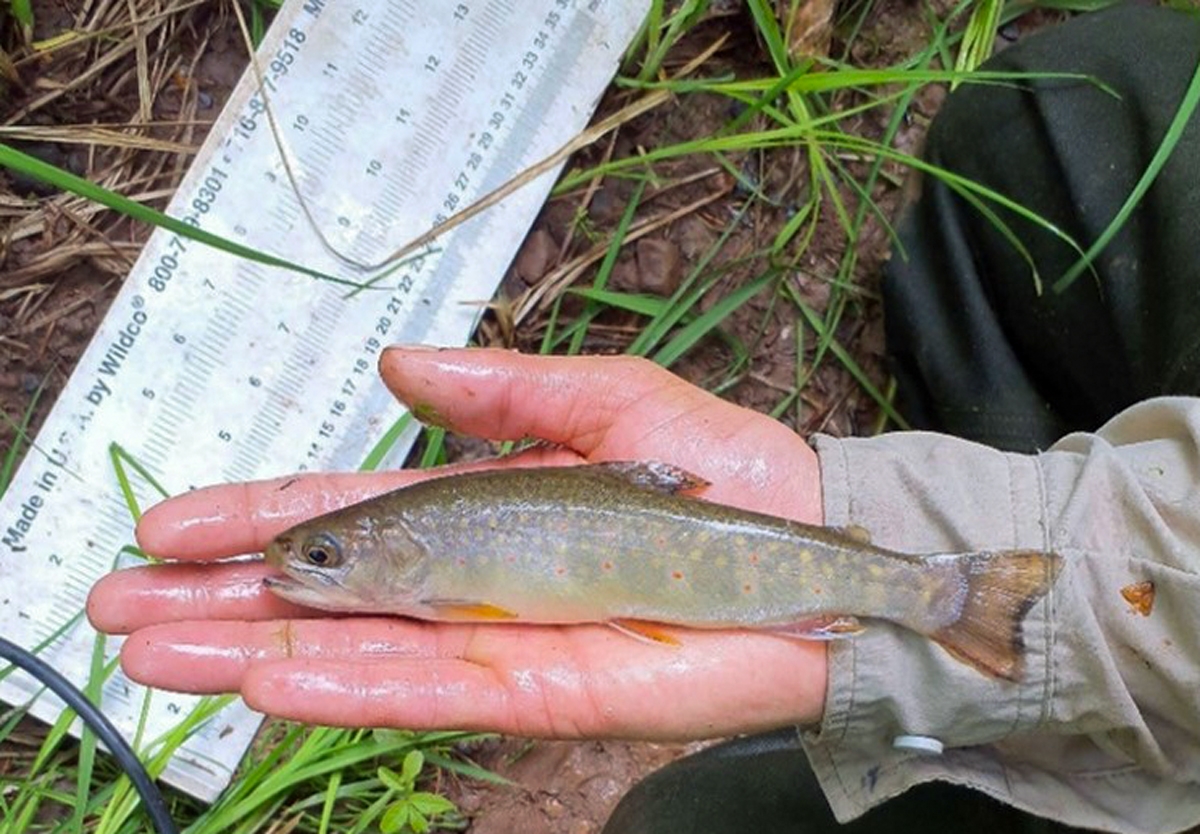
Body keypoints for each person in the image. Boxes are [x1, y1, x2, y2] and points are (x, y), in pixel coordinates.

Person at [88, 5, 1200, 834]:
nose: (310, 565)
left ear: (396, 554)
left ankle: (955, 583)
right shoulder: (426, 556)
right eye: (320, 558)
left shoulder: (440, 564)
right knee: (1048, 107)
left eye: (324, 556)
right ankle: (983, 533)